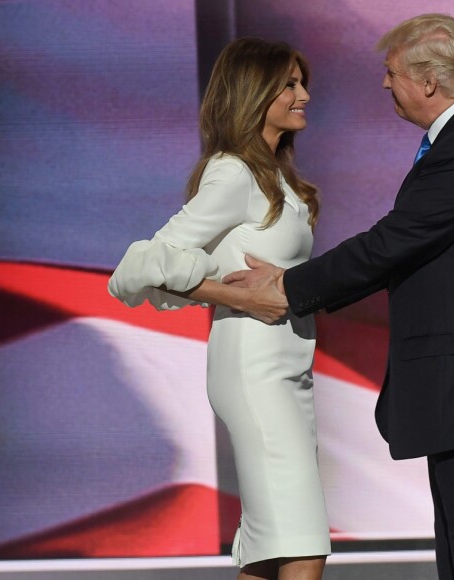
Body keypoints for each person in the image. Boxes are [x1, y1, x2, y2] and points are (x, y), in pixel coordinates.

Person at [224, 13, 454, 580]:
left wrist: (285, 286)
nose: (384, 84)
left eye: (392, 72)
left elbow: (392, 243)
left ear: (429, 80)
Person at [108, 38, 330, 579]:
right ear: (255, 93)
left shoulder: (276, 178)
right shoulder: (234, 173)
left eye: (302, 83)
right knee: (303, 539)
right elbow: (137, 268)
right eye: (290, 84)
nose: (303, 95)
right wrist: (236, 294)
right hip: (254, 370)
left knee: (269, 541)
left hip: (288, 370)